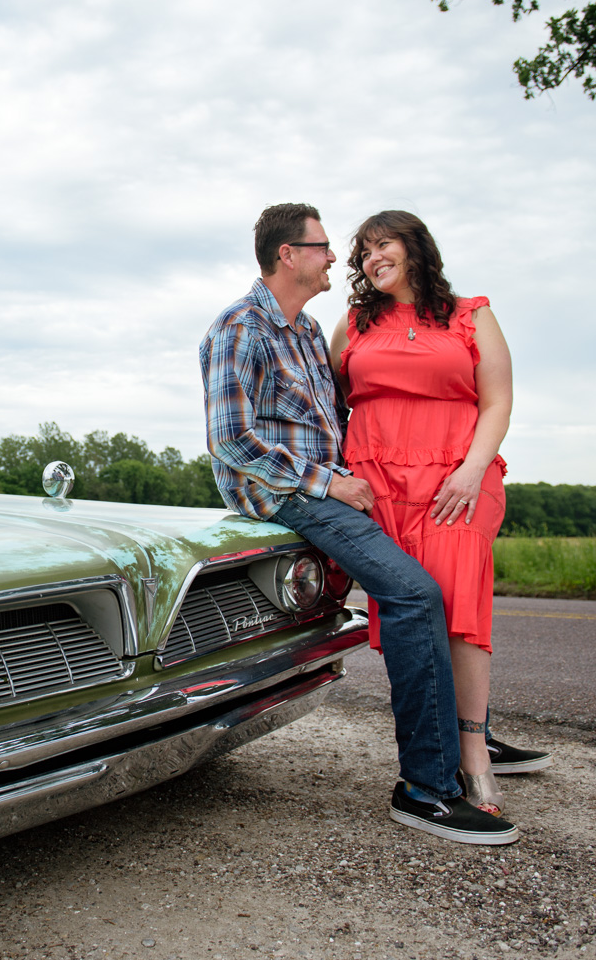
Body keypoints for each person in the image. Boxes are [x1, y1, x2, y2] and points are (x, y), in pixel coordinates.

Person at [200, 203, 518, 845]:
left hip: (347, 488)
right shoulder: (240, 328)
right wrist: (334, 483)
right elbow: (230, 442)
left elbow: (346, 414)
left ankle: (454, 749)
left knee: (423, 593)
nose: (336, 259)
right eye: (323, 246)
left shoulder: (309, 333)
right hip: (285, 495)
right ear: (288, 255)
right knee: (413, 594)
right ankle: (426, 789)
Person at [330, 210, 551, 816]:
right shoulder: (352, 325)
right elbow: (330, 406)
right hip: (378, 486)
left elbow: (499, 400)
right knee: (415, 612)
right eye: (364, 252)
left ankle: (473, 756)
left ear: (416, 247)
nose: (374, 259)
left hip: (457, 481)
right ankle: (450, 735)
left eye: (385, 245)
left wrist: (472, 470)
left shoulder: (469, 313)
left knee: (459, 609)